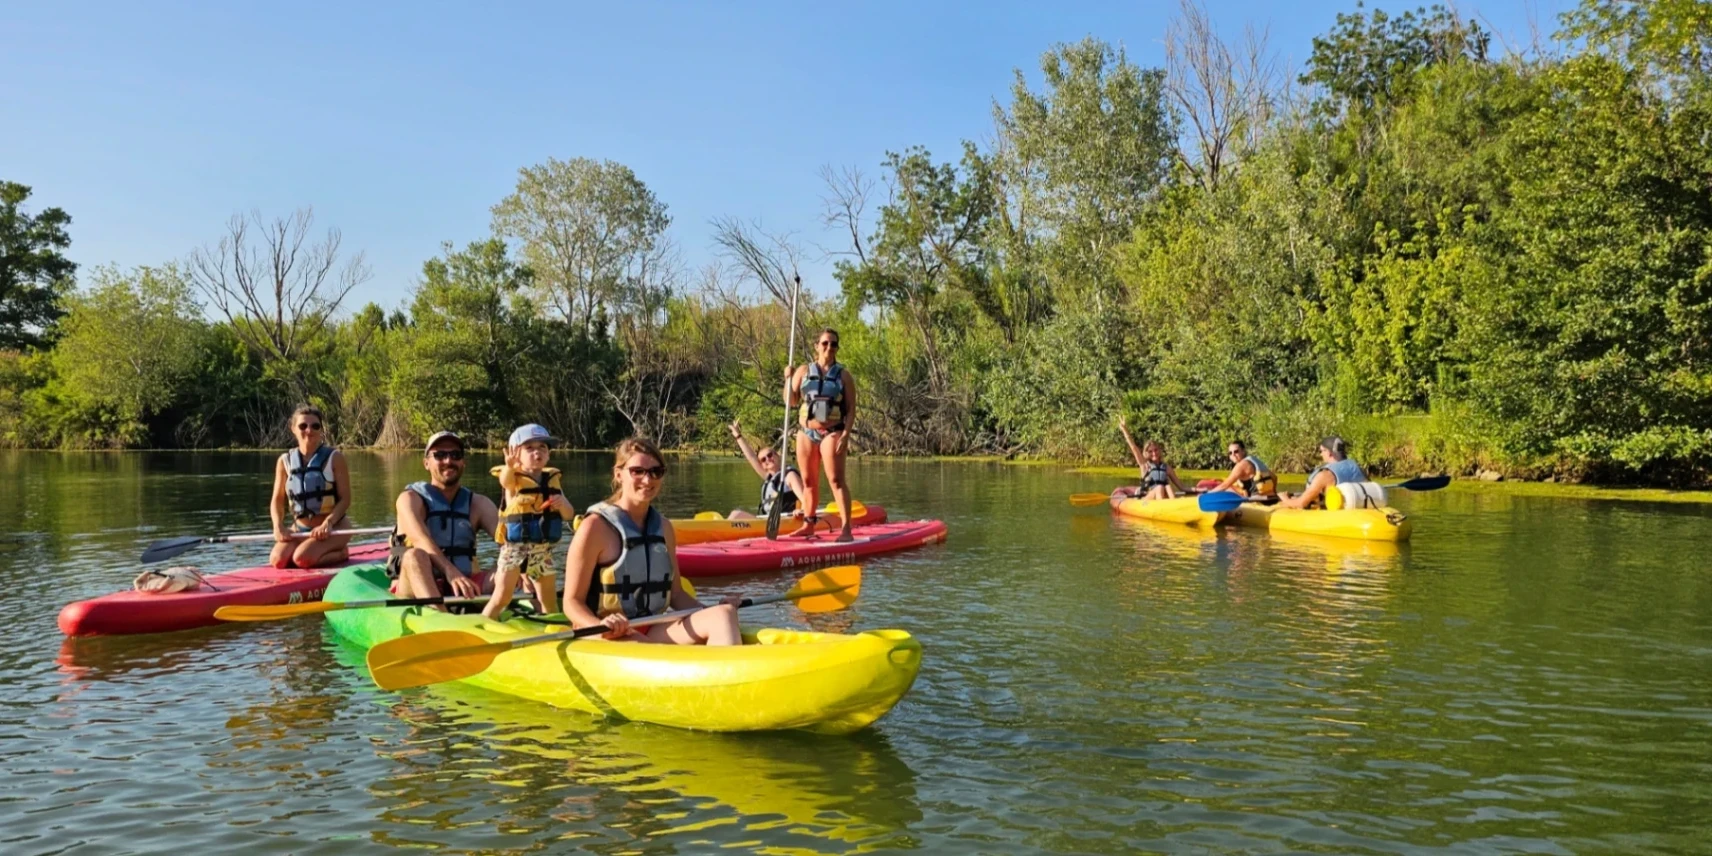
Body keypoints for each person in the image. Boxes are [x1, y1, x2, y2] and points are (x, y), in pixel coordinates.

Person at [562, 437, 743, 645]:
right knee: (637, 640)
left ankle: (729, 672)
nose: (648, 480)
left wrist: (713, 609)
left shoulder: (664, 527)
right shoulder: (594, 527)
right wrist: (600, 625)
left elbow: (676, 595)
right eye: (637, 471)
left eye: (656, 472)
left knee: (724, 615)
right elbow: (571, 602)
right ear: (618, 474)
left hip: (653, 626)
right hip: (604, 631)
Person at [388, 431, 501, 607]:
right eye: (440, 455)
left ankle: (540, 613)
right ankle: (441, 618)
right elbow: (419, 539)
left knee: (510, 566)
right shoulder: (409, 499)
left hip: (466, 585)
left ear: (463, 462)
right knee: (414, 556)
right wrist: (450, 571)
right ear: (426, 463)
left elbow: (508, 540)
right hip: (415, 586)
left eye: (455, 455)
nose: (448, 461)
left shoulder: (479, 504)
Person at [482, 424, 576, 621]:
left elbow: (568, 515)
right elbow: (505, 482)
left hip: (542, 550)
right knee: (502, 596)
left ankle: (554, 627)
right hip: (514, 550)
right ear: (516, 453)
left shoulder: (552, 480)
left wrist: (561, 504)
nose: (537, 452)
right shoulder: (514, 480)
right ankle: (483, 624)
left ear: (548, 454)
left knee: (548, 599)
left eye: (542, 447)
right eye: (529, 448)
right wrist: (510, 466)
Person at [786, 328, 858, 541]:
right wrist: (788, 379)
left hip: (832, 432)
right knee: (808, 481)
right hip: (807, 432)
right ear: (816, 346)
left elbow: (852, 407)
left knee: (836, 480)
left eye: (833, 344)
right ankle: (809, 524)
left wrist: (845, 434)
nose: (829, 347)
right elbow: (791, 401)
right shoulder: (802, 371)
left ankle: (846, 530)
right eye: (825, 343)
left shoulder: (843, 375)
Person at [269, 405, 354, 568]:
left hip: (334, 528)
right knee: (277, 560)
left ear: (321, 429)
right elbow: (277, 500)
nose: (309, 430)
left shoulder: (335, 458)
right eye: (303, 426)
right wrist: (278, 526)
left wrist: (328, 523)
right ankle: (308, 547)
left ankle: (341, 553)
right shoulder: (284, 461)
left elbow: (345, 499)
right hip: (301, 528)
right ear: (293, 428)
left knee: (302, 559)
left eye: (315, 426)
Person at [726, 421, 808, 520]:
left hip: (786, 521)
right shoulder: (768, 477)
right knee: (736, 514)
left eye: (770, 455)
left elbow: (806, 500)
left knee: (735, 515)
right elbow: (751, 457)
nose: (767, 459)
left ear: (778, 456)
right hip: (767, 521)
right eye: (763, 459)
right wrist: (738, 436)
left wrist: (801, 511)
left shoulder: (790, 476)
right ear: (763, 466)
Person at [1279, 435, 1369, 509]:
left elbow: (1300, 504)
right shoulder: (1359, 468)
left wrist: (1285, 499)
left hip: (1337, 518)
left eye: (1321, 451)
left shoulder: (1324, 475)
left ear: (1329, 453)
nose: (1321, 454)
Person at [1117, 414, 1191, 499]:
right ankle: (1162, 509)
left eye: (1155, 450)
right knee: (1159, 487)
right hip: (1147, 499)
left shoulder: (1167, 468)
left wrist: (1202, 490)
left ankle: (1172, 506)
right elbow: (1133, 447)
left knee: (1168, 486)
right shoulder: (1144, 465)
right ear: (1146, 453)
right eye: (1150, 451)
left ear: (1159, 451)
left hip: (1163, 497)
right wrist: (1124, 430)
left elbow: (1183, 487)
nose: (1154, 453)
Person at [1209, 440, 1278, 499]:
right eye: (1230, 453)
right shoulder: (1253, 460)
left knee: (1227, 489)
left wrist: (1206, 495)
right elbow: (1274, 477)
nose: (1233, 455)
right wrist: (1274, 492)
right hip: (1270, 497)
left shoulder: (1241, 465)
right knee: (1234, 487)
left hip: (1258, 500)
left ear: (1243, 451)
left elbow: (1224, 486)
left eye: (1236, 451)